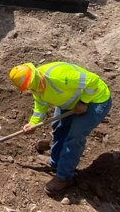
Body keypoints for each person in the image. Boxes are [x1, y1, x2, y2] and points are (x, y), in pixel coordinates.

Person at [8, 61, 113, 195]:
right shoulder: (36, 86)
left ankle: (64, 177)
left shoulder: (58, 76)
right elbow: (40, 103)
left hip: (95, 100)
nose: (32, 89)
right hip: (70, 103)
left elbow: (92, 80)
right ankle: (56, 162)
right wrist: (33, 122)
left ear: (34, 76)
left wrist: (84, 102)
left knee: (74, 137)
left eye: (31, 86)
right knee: (58, 127)